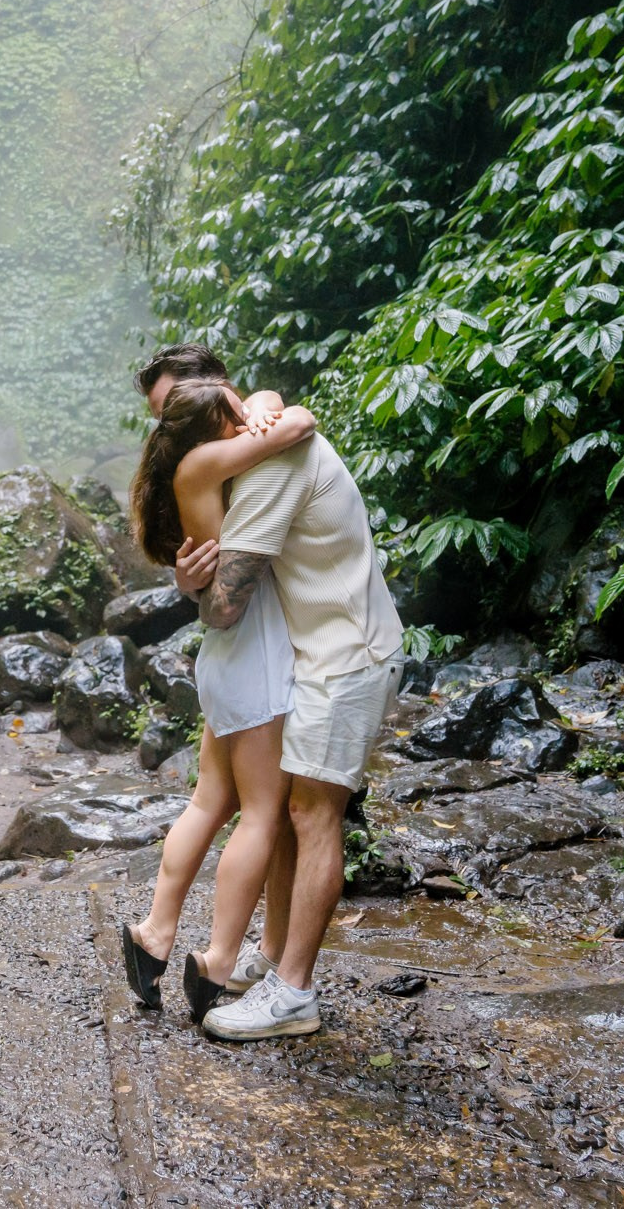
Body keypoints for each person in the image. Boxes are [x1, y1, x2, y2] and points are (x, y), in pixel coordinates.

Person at [187, 387, 407, 1042]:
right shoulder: (268, 433)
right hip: (327, 653)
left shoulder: (269, 468)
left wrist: (193, 587)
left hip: (346, 659)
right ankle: (274, 954)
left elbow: (225, 605)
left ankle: (294, 991)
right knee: (290, 811)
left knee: (313, 814)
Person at [119, 377, 314, 1022]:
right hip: (253, 652)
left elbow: (265, 397)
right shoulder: (210, 461)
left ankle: (154, 934)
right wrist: (265, 415)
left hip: (224, 658)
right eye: (232, 411)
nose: (243, 417)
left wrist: (254, 404)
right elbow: (293, 423)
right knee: (263, 813)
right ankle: (221, 960)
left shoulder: (192, 466)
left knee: (210, 801)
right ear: (213, 424)